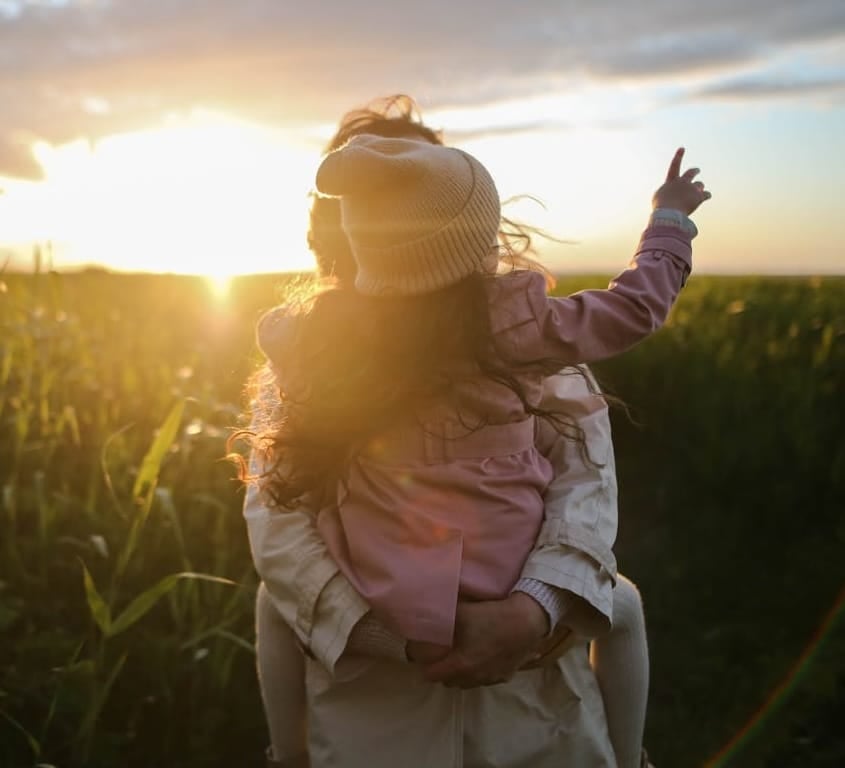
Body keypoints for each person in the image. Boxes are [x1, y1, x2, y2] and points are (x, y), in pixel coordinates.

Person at [240, 96, 708, 768]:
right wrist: (667, 223)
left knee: (271, 609)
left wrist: (531, 611)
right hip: (371, 701)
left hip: (536, 698)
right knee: (623, 604)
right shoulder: (522, 331)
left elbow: (584, 485)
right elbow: (279, 523)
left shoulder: (314, 345)